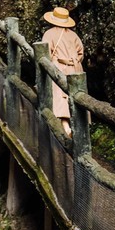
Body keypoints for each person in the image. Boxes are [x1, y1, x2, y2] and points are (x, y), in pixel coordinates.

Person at [41, 7, 84, 136]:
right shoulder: (73, 35)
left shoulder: (49, 34)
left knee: (60, 97)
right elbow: (81, 53)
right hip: (75, 68)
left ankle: (65, 128)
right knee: (76, 96)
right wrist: (74, 62)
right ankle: (78, 130)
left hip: (59, 67)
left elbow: (45, 52)